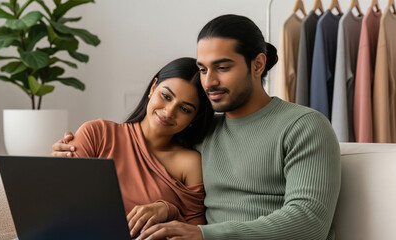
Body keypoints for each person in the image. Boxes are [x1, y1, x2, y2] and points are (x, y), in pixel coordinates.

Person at [53, 14, 341, 240]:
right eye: (203, 69)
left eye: (223, 67)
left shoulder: (304, 126)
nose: (209, 81)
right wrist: (67, 154)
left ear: (257, 65)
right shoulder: (200, 130)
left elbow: (309, 221)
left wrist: (205, 235)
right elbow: (139, 156)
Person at [52, 57, 214, 238]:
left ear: (196, 117)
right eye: (166, 96)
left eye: (185, 109)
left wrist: (168, 210)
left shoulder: (189, 163)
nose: (169, 112)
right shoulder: (97, 133)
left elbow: (194, 233)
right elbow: (59, 199)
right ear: (153, 88)